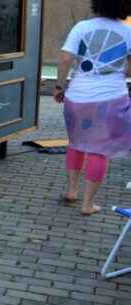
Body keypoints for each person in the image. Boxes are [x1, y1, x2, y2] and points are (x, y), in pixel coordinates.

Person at [55, 0, 131, 216]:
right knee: (99, 150)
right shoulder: (127, 33)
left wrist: (59, 86)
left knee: (76, 143)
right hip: (110, 99)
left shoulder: (81, 27)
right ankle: (87, 204)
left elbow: (65, 58)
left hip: (77, 96)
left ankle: (71, 190)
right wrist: (118, 73)